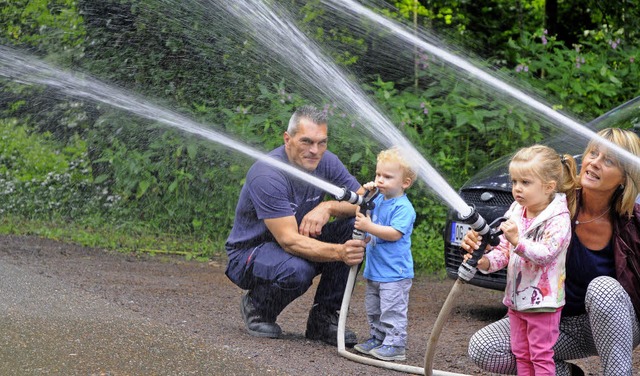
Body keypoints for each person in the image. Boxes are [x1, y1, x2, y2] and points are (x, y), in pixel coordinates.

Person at [461, 128, 640, 376]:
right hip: (553, 320)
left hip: (614, 325)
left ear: (624, 177)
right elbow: (508, 244)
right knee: (485, 348)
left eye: (608, 160)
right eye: (593, 153)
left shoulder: (634, 223)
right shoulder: (550, 205)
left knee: (604, 288)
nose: (594, 163)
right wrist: (484, 249)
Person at [224, 105, 367, 347]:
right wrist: (340, 253)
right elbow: (288, 240)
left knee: (356, 226)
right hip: (251, 254)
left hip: (296, 243)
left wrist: (328, 207)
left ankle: (323, 320)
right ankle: (258, 307)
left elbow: (365, 201)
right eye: (307, 142)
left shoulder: (326, 161)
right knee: (298, 270)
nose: (315, 150)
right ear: (287, 139)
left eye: (322, 142)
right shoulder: (267, 174)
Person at [463, 145, 578, 375]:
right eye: (515, 181)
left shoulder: (558, 218)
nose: (517, 188)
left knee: (541, 356)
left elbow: (545, 254)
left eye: (525, 183)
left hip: (543, 304)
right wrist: (484, 262)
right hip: (516, 301)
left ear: (548, 187)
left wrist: (518, 241)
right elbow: (504, 251)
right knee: (521, 354)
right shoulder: (517, 209)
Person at [352, 147, 417, 361]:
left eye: (387, 177)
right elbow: (360, 213)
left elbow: (394, 234)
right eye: (378, 175)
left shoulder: (403, 207)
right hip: (375, 270)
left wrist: (369, 227)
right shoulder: (378, 199)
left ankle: (396, 344)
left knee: (392, 310)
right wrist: (365, 194)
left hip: (394, 273)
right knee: (374, 308)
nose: (380, 180)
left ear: (404, 182)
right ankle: (378, 337)